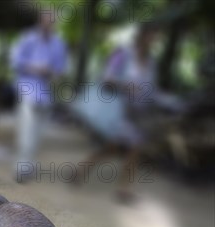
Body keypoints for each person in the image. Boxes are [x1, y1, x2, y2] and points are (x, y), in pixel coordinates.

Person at [72, 24, 184, 202]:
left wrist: (171, 102)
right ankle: (123, 189)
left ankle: (81, 170)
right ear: (143, 36)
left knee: (114, 148)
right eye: (152, 36)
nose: (155, 41)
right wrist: (125, 85)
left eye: (157, 38)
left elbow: (151, 91)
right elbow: (107, 77)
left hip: (135, 115)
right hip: (117, 112)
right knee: (135, 146)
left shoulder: (151, 63)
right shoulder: (122, 54)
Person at [9, 11, 67, 181]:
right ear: (40, 21)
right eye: (46, 20)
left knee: (38, 132)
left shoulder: (58, 44)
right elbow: (15, 61)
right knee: (26, 129)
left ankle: (28, 164)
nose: (49, 23)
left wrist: (52, 73)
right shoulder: (27, 38)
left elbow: (60, 69)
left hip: (45, 93)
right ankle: (21, 169)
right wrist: (35, 68)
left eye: (52, 21)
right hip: (27, 90)